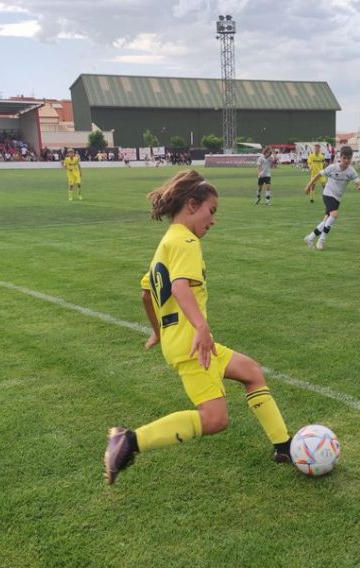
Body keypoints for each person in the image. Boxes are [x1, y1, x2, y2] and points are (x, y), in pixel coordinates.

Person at [104, 170, 292, 485]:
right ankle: (129, 440)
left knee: (252, 372)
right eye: (211, 211)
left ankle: (283, 446)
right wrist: (202, 327)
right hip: (194, 342)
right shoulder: (187, 240)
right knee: (215, 419)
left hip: (183, 339)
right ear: (192, 205)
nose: (213, 220)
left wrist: (158, 330)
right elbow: (179, 287)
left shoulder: (167, 242)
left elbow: (146, 294)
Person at [303, 146, 360, 250]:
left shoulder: (351, 171)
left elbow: (359, 182)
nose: (346, 160)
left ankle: (310, 237)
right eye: (344, 158)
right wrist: (308, 185)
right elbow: (318, 175)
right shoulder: (332, 167)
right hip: (327, 194)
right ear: (340, 157)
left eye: (349, 158)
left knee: (326, 220)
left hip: (337, 198)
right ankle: (321, 240)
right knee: (334, 215)